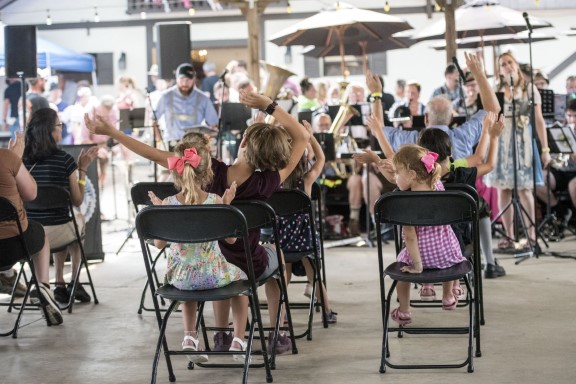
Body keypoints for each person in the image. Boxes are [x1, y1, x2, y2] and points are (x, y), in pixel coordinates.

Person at [84, 89, 310, 355]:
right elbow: (302, 137)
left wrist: (115, 133)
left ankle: (223, 335)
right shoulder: (267, 182)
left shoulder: (207, 172)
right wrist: (269, 105)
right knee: (277, 255)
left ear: (244, 141)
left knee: (221, 256)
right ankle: (277, 333)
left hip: (211, 264)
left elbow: (154, 154)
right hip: (247, 263)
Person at [148, 135, 247, 362]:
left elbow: (158, 244)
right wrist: (226, 206)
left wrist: (160, 212)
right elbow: (231, 241)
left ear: (175, 172)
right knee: (242, 285)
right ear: (207, 172)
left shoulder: (169, 204)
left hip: (181, 279)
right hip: (213, 276)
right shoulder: (216, 201)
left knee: (188, 287)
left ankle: (190, 338)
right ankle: (238, 341)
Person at [23, 108, 99, 304]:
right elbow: (77, 200)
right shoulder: (64, 160)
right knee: (76, 221)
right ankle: (73, 280)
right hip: (57, 232)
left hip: (29, 235)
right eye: (59, 125)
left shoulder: (21, 162)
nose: (61, 129)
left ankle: (59, 283)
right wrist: (82, 169)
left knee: (64, 222)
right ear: (50, 131)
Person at [388, 144, 466, 325]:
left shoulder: (405, 202)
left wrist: (417, 266)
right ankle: (447, 296)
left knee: (401, 273)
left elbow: (410, 237)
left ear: (412, 175)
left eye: (396, 173)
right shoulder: (438, 186)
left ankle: (404, 311)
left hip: (420, 257)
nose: (394, 177)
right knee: (450, 245)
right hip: (447, 256)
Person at [272, 120, 337, 323]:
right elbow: (321, 158)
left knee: (283, 276)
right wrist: (310, 137)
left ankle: (280, 316)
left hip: (279, 243)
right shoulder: (307, 180)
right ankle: (327, 311)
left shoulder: (271, 180)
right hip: (304, 242)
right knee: (314, 274)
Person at [484, 51, 550, 250]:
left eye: (509, 62)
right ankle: (510, 236)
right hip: (502, 141)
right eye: (503, 64)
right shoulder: (497, 89)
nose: (507, 66)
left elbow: (539, 120)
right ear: (500, 70)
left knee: (524, 188)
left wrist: (545, 148)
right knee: (503, 189)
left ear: (516, 65)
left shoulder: (529, 89)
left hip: (522, 142)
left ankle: (531, 235)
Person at [382, 52, 501, 160]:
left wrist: (376, 94)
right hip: (462, 184)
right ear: (450, 119)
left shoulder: (413, 140)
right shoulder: (464, 135)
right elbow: (493, 110)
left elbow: (379, 130)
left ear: (426, 118)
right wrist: (479, 74)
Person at [0, 132, 63, 326]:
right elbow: (31, 193)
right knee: (40, 232)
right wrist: (16, 161)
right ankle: (43, 287)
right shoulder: (6, 157)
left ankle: (7, 277)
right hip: (15, 245)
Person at [155, 63, 218, 148]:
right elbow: (153, 119)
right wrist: (158, 139)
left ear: (194, 80)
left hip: (195, 145)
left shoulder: (203, 99)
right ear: (176, 79)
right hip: (172, 143)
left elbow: (213, 123)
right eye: (182, 79)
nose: (185, 83)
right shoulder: (166, 96)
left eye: (188, 80)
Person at [535, 99, 576, 226]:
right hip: (560, 170)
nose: (572, 119)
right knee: (537, 180)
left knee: (574, 187)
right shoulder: (560, 130)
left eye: (575, 116)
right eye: (569, 115)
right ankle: (561, 211)